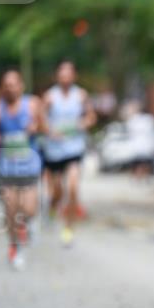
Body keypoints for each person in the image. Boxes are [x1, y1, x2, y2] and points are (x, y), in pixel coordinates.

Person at [0, 69, 47, 271]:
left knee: (28, 209)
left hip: (29, 165)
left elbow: (45, 128)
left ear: (21, 86)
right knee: (11, 211)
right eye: (6, 85)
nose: (10, 88)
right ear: (2, 88)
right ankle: (14, 246)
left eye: (13, 84)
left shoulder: (33, 105)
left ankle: (28, 225)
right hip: (6, 168)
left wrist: (36, 128)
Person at [42, 61, 95, 246]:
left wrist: (82, 123)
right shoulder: (49, 97)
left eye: (68, 73)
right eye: (62, 74)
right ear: (57, 76)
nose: (65, 77)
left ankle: (68, 228)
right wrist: (50, 131)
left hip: (74, 148)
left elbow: (91, 117)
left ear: (74, 76)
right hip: (54, 151)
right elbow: (41, 120)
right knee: (58, 191)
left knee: (72, 189)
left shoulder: (81, 95)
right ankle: (52, 207)